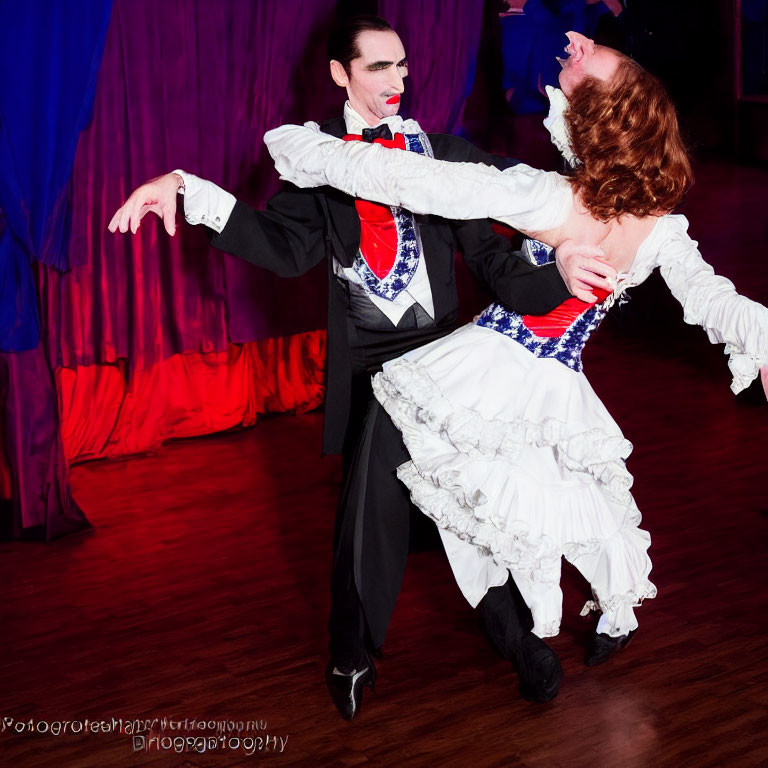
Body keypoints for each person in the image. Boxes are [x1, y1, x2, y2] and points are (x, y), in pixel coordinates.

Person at [107, 17, 611, 717]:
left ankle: (511, 642)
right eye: (377, 68)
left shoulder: (443, 158)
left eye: (401, 66)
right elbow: (281, 248)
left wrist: (558, 270)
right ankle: (353, 649)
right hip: (370, 371)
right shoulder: (320, 160)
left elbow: (498, 269)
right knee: (375, 508)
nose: (396, 82)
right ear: (342, 75)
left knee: (469, 514)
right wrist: (188, 192)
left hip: (444, 366)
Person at [264, 31, 768, 666]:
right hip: (554, 382)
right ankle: (567, 627)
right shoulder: (659, 229)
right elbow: (713, 300)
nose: (576, 43)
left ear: (600, 118)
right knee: (533, 500)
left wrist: (307, 147)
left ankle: (514, 633)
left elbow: (413, 181)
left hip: (493, 366)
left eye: (592, 59)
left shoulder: (549, 198)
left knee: (493, 495)